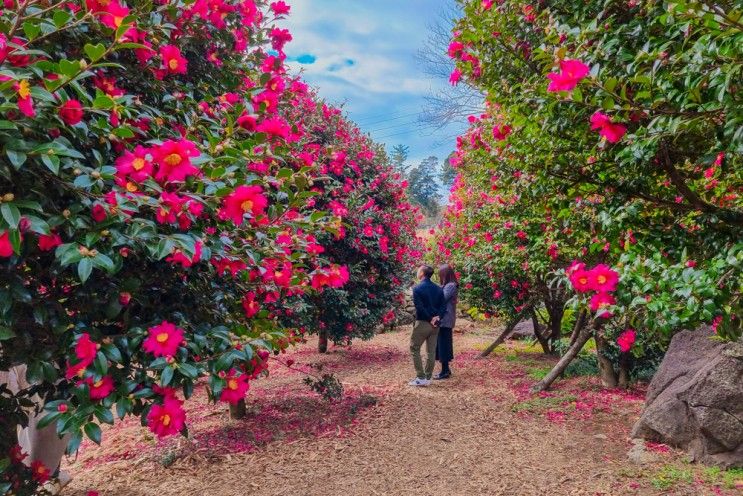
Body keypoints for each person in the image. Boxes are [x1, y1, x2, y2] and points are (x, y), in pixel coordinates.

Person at [409, 265, 447, 387]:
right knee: (431, 351)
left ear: (422, 273)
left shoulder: (417, 289)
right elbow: (443, 307)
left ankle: (420, 377)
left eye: (419, 269)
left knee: (414, 348)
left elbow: (419, 307)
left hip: (423, 323)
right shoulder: (438, 288)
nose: (417, 271)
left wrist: (430, 318)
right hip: (436, 324)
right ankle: (428, 377)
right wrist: (437, 318)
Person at [434, 264, 458, 380]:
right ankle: (445, 369)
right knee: (442, 344)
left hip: (446, 319)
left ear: (445, 274)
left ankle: (445, 371)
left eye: (440, 274)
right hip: (443, 319)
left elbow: (441, 299)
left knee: (444, 345)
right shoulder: (446, 285)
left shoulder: (451, 285)